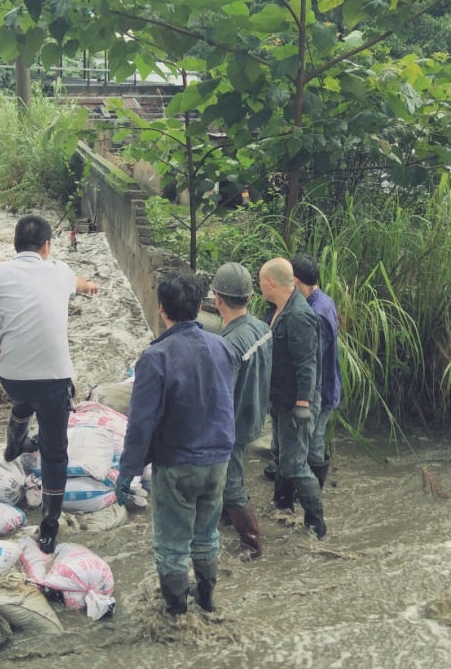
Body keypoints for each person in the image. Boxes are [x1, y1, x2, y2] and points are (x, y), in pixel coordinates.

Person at [0, 214, 98, 555]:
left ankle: (14, 445)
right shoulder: (59, 271)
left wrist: (6, 351)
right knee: (55, 452)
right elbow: (78, 281)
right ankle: (48, 525)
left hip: (12, 378)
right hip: (53, 382)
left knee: (23, 399)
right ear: (47, 247)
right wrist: (89, 287)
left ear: (15, 244)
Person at [115, 272, 236, 616]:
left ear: (161, 308)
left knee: (171, 543)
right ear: (200, 307)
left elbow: (141, 423)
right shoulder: (223, 347)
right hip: (218, 459)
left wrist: (129, 471)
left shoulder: (155, 358)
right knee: (206, 534)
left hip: (179, 462)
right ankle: (208, 602)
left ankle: (177, 616)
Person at [259, 257, 327, 539]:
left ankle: (316, 522)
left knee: (294, 463)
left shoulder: (299, 316)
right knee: (280, 455)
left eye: (261, 282)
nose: (260, 287)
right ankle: (282, 504)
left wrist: (303, 403)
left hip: (295, 402)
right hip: (279, 397)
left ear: (271, 283)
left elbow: (306, 363)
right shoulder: (278, 309)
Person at [211, 261, 272, 560]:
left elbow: (220, 394)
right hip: (255, 413)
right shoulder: (261, 328)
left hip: (232, 423)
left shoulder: (228, 344)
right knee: (228, 476)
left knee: (231, 483)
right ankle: (225, 518)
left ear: (217, 299)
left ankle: (252, 546)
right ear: (250, 298)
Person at [292, 253, 341, 489]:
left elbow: (310, 359)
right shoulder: (323, 301)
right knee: (315, 440)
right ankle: (313, 488)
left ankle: (312, 491)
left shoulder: (316, 313)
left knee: (312, 443)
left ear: (296, 281)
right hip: (326, 387)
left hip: (320, 391)